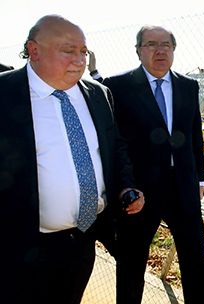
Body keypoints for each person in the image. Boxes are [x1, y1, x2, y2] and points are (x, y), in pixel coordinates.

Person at [0, 15, 144, 304]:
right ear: (34, 50)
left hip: (82, 241)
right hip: (17, 245)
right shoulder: (5, 94)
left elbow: (114, 148)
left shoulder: (98, 94)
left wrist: (125, 186)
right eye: (69, 51)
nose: (80, 60)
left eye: (83, 51)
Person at [104, 25, 204, 304]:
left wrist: (200, 179)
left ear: (173, 50)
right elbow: (116, 142)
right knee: (132, 262)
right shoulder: (118, 87)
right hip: (140, 192)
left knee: (196, 260)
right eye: (151, 44)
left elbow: (194, 135)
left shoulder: (188, 86)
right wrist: (125, 185)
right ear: (138, 50)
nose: (160, 50)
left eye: (166, 45)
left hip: (183, 188)